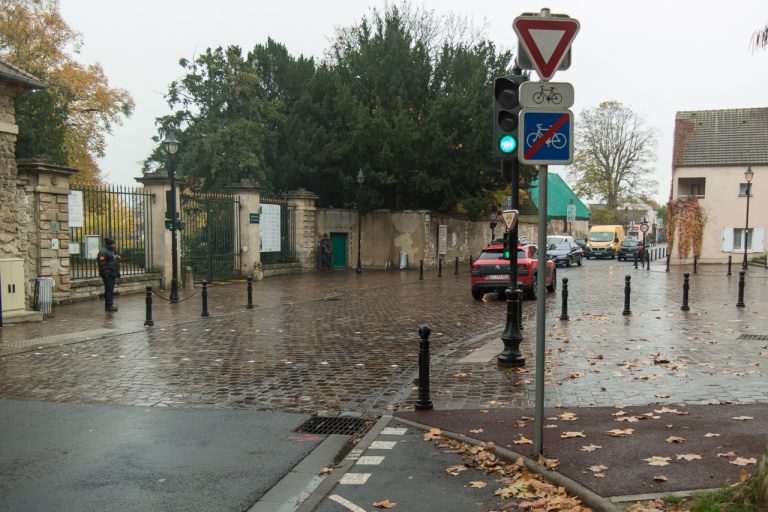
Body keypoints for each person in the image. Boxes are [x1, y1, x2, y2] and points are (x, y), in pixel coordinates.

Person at [98, 237, 120, 312]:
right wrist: (106, 274)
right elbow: (102, 264)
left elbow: (110, 260)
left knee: (110, 290)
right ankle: (109, 306)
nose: (114, 245)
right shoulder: (103, 251)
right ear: (109, 244)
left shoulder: (111, 251)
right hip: (108, 274)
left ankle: (110, 305)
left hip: (112, 274)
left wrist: (116, 258)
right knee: (109, 290)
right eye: (113, 244)